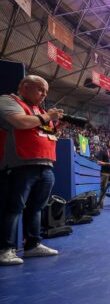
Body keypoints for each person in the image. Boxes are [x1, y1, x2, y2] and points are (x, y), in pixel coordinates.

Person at [0, 75, 63, 265]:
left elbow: (46, 135)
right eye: (40, 89)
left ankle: (32, 245)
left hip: (45, 165)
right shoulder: (8, 101)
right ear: (24, 87)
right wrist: (47, 117)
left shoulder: (39, 110)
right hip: (20, 165)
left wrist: (55, 128)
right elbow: (20, 123)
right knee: (14, 207)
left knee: (36, 208)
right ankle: (5, 249)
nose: (44, 94)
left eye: (46, 92)